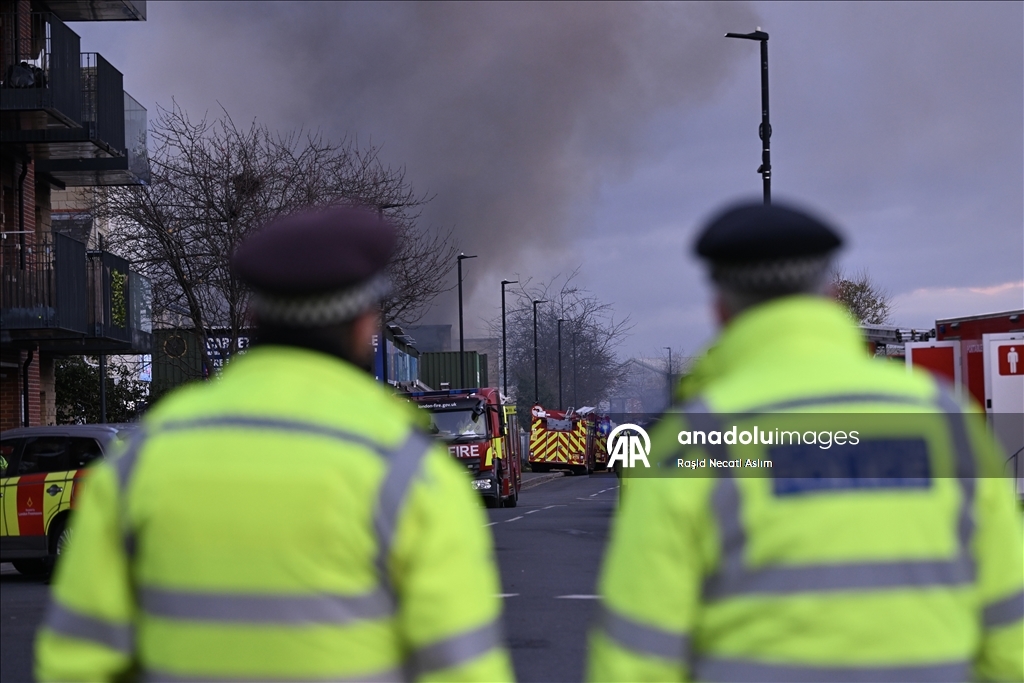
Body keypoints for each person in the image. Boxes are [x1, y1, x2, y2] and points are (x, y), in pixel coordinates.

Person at [36, 206, 514, 682]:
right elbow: (465, 672)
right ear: (364, 325)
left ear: (255, 316)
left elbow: (74, 664)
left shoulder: (144, 457)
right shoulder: (412, 473)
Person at [589, 201, 1023, 682]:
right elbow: (1011, 637)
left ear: (721, 309)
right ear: (831, 296)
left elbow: (635, 661)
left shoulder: (690, 443)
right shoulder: (946, 421)